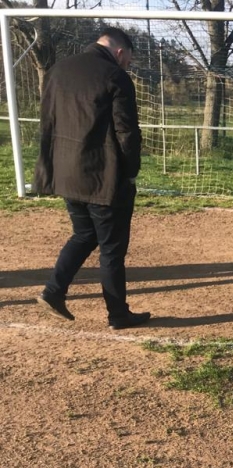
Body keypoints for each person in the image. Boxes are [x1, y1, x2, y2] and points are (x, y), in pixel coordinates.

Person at [33, 27, 151, 330]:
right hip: (103, 177)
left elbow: (48, 122)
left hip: (65, 173)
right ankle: (118, 314)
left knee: (84, 234)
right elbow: (126, 131)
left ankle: (53, 291)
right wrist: (130, 171)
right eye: (128, 60)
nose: (127, 66)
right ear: (121, 52)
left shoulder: (57, 71)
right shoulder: (114, 75)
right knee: (112, 249)